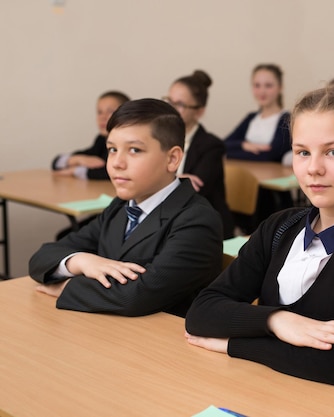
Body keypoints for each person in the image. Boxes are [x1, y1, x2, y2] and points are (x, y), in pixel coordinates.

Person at [184, 84, 334, 415]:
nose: (314, 169)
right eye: (302, 152)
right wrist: (277, 321)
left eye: (333, 152)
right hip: (276, 395)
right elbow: (202, 312)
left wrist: (234, 344)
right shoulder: (280, 227)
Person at [29, 98, 223, 317]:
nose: (116, 163)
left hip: (160, 343)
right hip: (108, 330)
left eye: (134, 150)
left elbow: (136, 296)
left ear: (172, 159)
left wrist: (65, 287)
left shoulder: (197, 220)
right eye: (112, 149)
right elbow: (42, 257)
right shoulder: (121, 206)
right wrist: (81, 261)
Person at [164, 70, 234, 238]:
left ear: (199, 111)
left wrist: (166, 180)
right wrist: (177, 180)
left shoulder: (212, 146)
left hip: (204, 224)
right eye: (169, 101)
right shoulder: (162, 139)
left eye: (180, 104)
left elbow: (192, 191)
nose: (171, 109)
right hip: (171, 217)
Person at [52, 91, 130, 179]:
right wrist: (76, 159)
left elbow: (113, 172)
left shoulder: (130, 143)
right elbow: (56, 162)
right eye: (99, 112)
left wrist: (76, 170)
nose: (102, 117)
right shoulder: (101, 140)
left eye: (110, 111)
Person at [224, 64, 291, 162]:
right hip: (245, 174)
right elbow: (222, 145)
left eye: (268, 86)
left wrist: (230, 153)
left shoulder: (286, 119)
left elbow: (271, 156)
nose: (262, 91)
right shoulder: (251, 118)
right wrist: (244, 145)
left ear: (280, 88)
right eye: (257, 85)